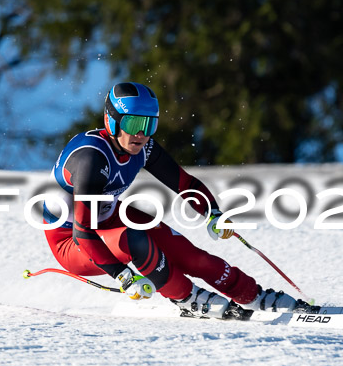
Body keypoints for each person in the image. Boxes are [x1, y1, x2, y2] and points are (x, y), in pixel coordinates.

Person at [42, 81, 315, 319]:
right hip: (73, 240)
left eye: (149, 124)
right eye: (134, 123)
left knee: (189, 254)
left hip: (107, 216)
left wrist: (213, 214)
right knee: (136, 240)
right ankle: (187, 298)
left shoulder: (143, 147)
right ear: (111, 121)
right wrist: (122, 276)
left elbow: (185, 184)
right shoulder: (91, 159)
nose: (141, 134)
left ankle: (253, 295)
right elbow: (83, 233)